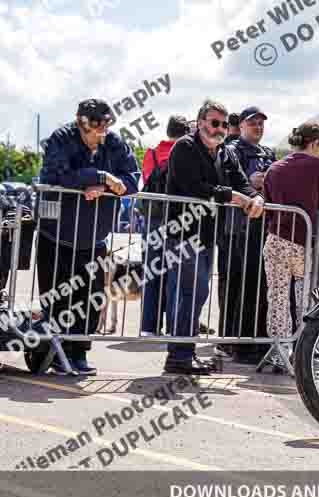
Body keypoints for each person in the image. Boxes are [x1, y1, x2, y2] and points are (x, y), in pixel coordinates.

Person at [37, 98, 139, 375]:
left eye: (104, 124)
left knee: (91, 296)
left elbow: (132, 180)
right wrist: (100, 176)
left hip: (94, 236)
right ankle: (56, 353)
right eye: (93, 125)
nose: (99, 132)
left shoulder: (115, 142)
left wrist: (104, 187)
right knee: (57, 296)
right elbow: (56, 175)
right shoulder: (60, 138)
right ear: (79, 120)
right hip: (55, 234)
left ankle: (79, 352)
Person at [163, 99, 264, 375]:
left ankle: (183, 354)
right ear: (200, 122)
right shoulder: (184, 146)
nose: (219, 129)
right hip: (182, 233)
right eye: (213, 123)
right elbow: (194, 187)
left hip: (208, 235)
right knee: (191, 293)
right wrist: (231, 196)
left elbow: (240, 180)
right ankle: (179, 356)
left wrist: (256, 198)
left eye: (222, 124)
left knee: (196, 294)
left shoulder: (224, 152)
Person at [262, 122, 319, 347]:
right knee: (304, 300)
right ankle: (304, 348)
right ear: (313, 143)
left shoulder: (273, 168)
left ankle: (279, 350)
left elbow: (268, 205)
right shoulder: (317, 166)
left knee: (277, 300)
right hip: (303, 242)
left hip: (276, 240)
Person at [225, 106, 277, 363]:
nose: (258, 126)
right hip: (238, 228)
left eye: (261, 122)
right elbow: (224, 181)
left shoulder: (268, 153)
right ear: (242, 126)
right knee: (240, 285)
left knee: (261, 286)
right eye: (253, 122)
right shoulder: (232, 150)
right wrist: (249, 180)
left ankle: (257, 342)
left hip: (264, 227)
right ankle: (238, 344)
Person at [140, 115, 190, 337]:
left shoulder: (151, 152)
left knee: (151, 271)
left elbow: (146, 178)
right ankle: (173, 326)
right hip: (177, 218)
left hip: (153, 216)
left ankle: (148, 326)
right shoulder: (186, 152)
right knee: (174, 273)